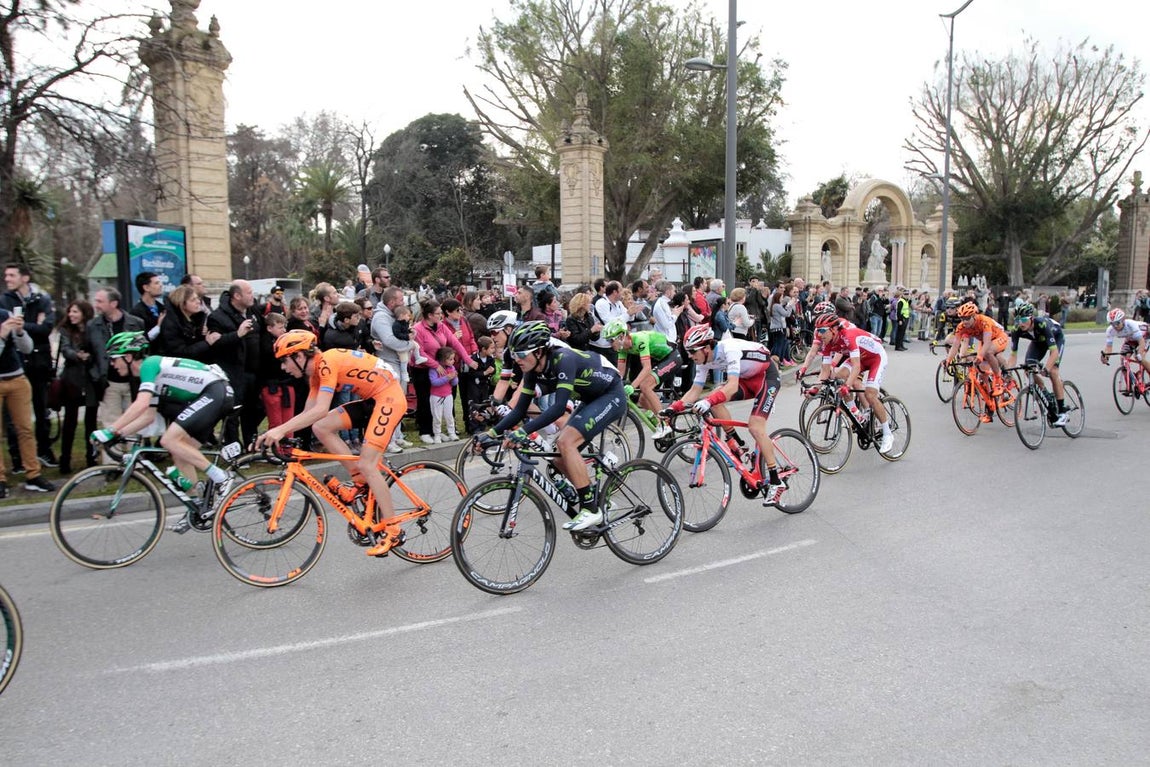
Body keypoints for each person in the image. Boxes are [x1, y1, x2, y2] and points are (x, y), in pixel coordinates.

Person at [254, 330, 408, 558]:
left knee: (368, 464)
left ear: (299, 355)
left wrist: (280, 429)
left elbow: (320, 409)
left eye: (285, 360)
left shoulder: (325, 362)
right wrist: (279, 434)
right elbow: (310, 414)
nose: (283, 368)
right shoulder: (315, 372)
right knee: (321, 427)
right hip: (372, 399)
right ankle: (359, 483)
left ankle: (393, 529)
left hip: (388, 398)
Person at [479, 321, 628, 531]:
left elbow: (558, 408)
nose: (517, 359)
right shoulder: (531, 369)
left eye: (521, 353)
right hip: (590, 397)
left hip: (611, 394)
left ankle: (590, 510)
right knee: (557, 456)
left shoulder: (563, 359)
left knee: (566, 443)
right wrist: (491, 433)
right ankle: (598, 500)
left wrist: (522, 432)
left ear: (539, 351)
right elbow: (520, 409)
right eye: (514, 354)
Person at [89, 331, 234, 533]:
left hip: (215, 390)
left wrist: (111, 429)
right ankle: (196, 508)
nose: (113, 364)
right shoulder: (153, 377)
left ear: (129, 356)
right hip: (211, 394)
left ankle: (222, 477)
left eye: (114, 359)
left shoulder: (149, 365)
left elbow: (141, 403)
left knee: (169, 439)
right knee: (180, 452)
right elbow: (147, 416)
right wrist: (118, 435)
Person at [664, 324, 785, 505]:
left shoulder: (730, 349)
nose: (689, 356)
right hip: (747, 379)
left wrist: (708, 401)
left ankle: (776, 480)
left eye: (692, 351)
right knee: (715, 395)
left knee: (755, 427)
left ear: (706, 348)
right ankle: (735, 441)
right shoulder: (703, 360)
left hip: (766, 378)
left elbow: (732, 386)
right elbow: (695, 390)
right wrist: (673, 408)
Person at [811, 312, 895, 453]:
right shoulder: (827, 343)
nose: (820, 335)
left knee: (870, 394)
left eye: (822, 330)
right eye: (817, 331)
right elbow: (825, 371)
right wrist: (815, 388)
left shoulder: (848, 336)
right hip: (860, 358)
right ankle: (857, 415)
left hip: (875, 358)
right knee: (837, 375)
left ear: (833, 329)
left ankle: (887, 433)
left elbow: (856, 366)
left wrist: (847, 385)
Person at [0, 263, 57, 468]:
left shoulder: (41, 299)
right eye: (6, 275)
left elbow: (45, 329)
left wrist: (25, 326)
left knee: (41, 410)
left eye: (12, 275)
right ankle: (17, 459)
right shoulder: (5, 301)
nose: (7, 279)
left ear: (25, 278)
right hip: (13, 364)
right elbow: (10, 331)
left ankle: (43, 451)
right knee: (11, 419)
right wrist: (29, 325)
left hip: (38, 362)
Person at [87, 287, 146, 453]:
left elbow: (143, 350)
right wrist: (96, 374)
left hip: (132, 381)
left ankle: (135, 460)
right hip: (108, 381)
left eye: (100, 301)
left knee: (133, 420)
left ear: (113, 303)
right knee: (110, 421)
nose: (96, 305)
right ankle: (113, 460)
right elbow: (90, 351)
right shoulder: (93, 325)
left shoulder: (136, 323)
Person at [601, 318, 679, 439]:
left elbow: (646, 367)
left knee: (645, 386)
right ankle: (658, 421)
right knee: (642, 400)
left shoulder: (639, 340)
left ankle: (664, 424)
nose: (610, 344)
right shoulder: (623, 349)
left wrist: (632, 386)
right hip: (659, 360)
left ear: (621, 336)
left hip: (672, 357)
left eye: (611, 340)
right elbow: (620, 372)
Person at [1008, 302, 1070, 426]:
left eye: (1024, 319)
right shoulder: (1016, 329)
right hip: (1038, 342)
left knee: (1053, 371)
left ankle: (1062, 411)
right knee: (1027, 369)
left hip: (1056, 338)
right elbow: (1013, 354)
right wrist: (1008, 372)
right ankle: (1045, 393)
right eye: (1018, 319)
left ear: (1031, 318)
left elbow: (1054, 352)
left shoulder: (1041, 324)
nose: (1021, 323)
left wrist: (1046, 368)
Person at [56, 300, 98, 473]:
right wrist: (78, 356)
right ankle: (65, 460)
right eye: (70, 311)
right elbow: (65, 350)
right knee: (70, 421)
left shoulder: (93, 328)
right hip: (72, 379)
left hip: (90, 379)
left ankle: (91, 458)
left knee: (91, 422)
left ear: (85, 313)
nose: (71, 315)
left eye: (75, 312)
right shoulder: (66, 330)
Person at [946, 301, 1011, 401]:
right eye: (962, 318)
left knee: (988, 352)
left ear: (974, 316)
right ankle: (990, 397)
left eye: (967, 318)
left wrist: (980, 356)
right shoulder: (962, 327)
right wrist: (948, 360)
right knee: (982, 372)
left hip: (998, 337)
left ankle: (998, 379)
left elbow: (987, 342)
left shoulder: (984, 321)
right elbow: (955, 345)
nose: (965, 321)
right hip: (985, 342)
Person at [155, 283, 218, 362]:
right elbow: (180, 352)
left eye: (197, 298)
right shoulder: (171, 324)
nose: (198, 302)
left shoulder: (196, 318)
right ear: (182, 304)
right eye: (193, 300)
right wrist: (206, 343)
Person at [1100, 307, 1150, 381]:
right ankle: (1130, 385)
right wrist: (1106, 357)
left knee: (1139, 357)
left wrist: (1139, 353)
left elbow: (1141, 341)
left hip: (1144, 336)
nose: (1115, 326)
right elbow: (1108, 347)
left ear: (1123, 320)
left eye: (1117, 323)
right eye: (1112, 324)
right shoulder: (1110, 330)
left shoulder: (1130, 324)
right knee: (1123, 360)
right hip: (1130, 339)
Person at [428, 346, 459, 442]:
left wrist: (454, 377)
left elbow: (454, 383)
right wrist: (447, 378)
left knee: (449, 416)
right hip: (436, 396)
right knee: (437, 417)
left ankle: (452, 433)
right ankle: (437, 434)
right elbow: (434, 382)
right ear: (442, 359)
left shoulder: (451, 368)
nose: (453, 361)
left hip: (448, 395)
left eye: (453, 359)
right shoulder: (434, 369)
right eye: (450, 359)